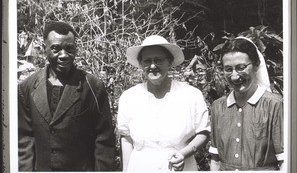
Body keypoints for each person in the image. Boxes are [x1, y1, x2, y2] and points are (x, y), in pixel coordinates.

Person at [18, 21, 116, 171]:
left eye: (69, 49)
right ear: (45, 49)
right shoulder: (27, 88)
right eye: (56, 48)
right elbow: (25, 140)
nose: (63, 55)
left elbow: (104, 140)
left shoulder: (92, 86)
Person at [117, 35, 210, 171]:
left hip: (181, 167)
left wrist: (183, 153)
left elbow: (203, 132)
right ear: (141, 64)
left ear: (170, 62)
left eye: (159, 60)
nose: (153, 66)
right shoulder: (129, 97)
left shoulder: (191, 94)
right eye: (147, 61)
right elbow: (126, 139)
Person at [209, 37, 284, 171]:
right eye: (228, 69)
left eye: (241, 68)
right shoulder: (218, 107)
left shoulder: (275, 105)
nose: (234, 76)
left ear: (256, 65)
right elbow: (215, 161)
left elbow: (284, 161)